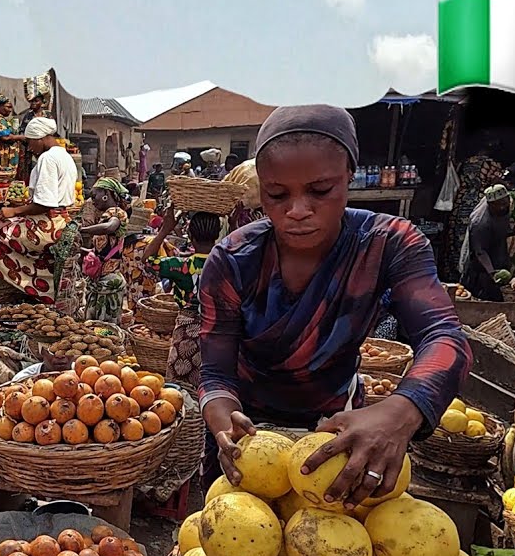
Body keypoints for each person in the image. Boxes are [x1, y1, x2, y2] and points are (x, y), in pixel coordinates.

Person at [201, 104, 472, 507]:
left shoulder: (388, 244)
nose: (297, 211)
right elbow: (215, 372)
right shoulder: (233, 259)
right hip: (249, 438)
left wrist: (401, 410)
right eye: (277, 194)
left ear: (349, 175)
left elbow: (445, 337)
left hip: (336, 433)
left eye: (320, 190)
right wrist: (224, 418)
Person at [0, 117, 76, 304]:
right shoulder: (65, 155)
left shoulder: (48, 158)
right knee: (8, 227)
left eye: (30, 142)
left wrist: (14, 211)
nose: (30, 148)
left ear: (40, 138)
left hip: (45, 227)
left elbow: (45, 203)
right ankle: (37, 288)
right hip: (62, 221)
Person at [144, 206, 222, 386]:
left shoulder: (181, 266)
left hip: (186, 334)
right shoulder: (227, 263)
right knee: (211, 384)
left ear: (191, 236)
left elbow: (147, 259)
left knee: (178, 388)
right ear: (217, 235)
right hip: (217, 332)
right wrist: (233, 226)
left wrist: (165, 229)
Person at [447, 139, 505, 281]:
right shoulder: (491, 165)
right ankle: (469, 275)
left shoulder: (465, 163)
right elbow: (497, 184)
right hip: (478, 201)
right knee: (474, 240)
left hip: (462, 201)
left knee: (458, 238)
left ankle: (455, 273)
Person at [77, 178, 131, 322]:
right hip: (98, 282)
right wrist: (80, 250)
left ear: (106, 193)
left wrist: (82, 229)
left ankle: (105, 335)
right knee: (92, 326)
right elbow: (101, 252)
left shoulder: (118, 213)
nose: (92, 200)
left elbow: (109, 228)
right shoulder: (104, 216)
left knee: (105, 327)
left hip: (109, 281)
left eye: (94, 196)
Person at [459, 185, 514, 301]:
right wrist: (492, 273)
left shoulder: (507, 205)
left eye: (505, 202)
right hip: (480, 262)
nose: (503, 207)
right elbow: (480, 251)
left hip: (497, 247)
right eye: (499, 204)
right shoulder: (480, 223)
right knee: (481, 295)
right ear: (490, 204)